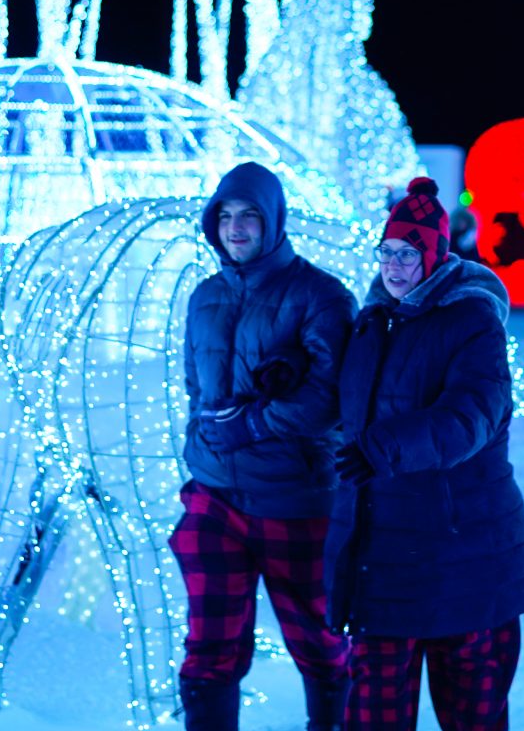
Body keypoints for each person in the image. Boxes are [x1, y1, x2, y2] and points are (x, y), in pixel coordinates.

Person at [325, 177, 524, 731]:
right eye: (387, 253)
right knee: (373, 717)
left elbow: (472, 416)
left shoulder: (472, 321)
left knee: (472, 718)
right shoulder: (372, 322)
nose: (395, 266)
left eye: (409, 253)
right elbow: (342, 406)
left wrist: (382, 447)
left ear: (437, 253)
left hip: (465, 558)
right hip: (385, 561)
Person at [172, 162, 359, 731]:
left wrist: (248, 427)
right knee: (209, 647)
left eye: (249, 215)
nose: (236, 228)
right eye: (225, 216)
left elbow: (330, 399)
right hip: (214, 497)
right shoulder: (204, 296)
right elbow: (194, 388)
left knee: (320, 643)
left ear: (273, 220)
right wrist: (202, 450)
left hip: (294, 498)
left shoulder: (322, 296)